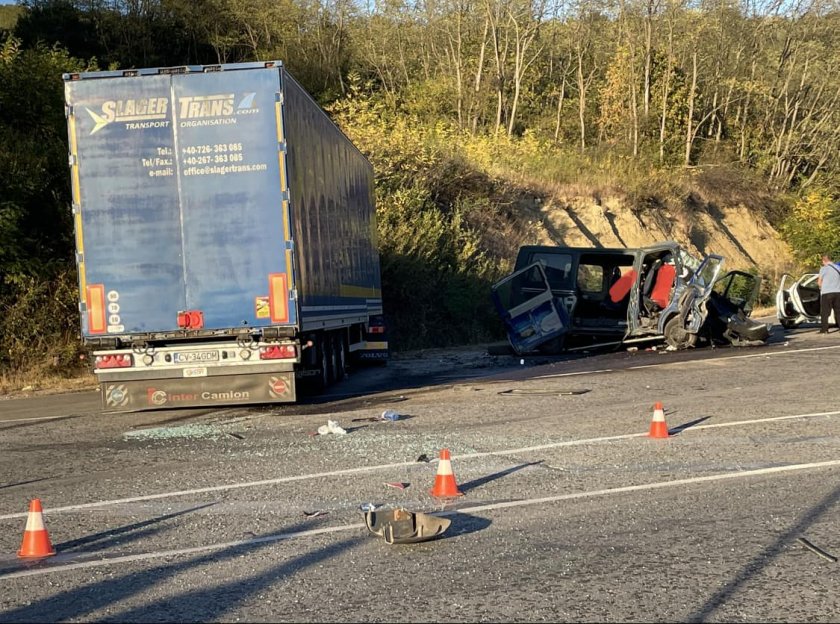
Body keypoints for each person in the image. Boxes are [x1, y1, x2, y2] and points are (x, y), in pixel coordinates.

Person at [817, 254, 840, 333]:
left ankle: (825, 329)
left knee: (825, 312)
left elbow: (819, 282)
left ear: (824, 261)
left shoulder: (823, 269)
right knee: (838, 311)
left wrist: (821, 287)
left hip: (827, 293)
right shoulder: (838, 268)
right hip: (838, 292)